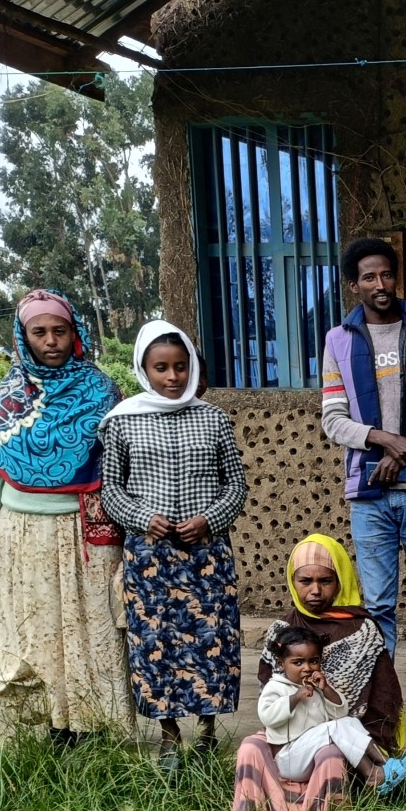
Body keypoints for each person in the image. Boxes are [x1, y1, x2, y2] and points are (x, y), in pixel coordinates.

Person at [320, 236, 406, 739]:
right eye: (368, 277)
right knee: (377, 605)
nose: (380, 285)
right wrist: (382, 441)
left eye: (387, 275)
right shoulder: (338, 342)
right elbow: (333, 419)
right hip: (369, 496)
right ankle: (378, 706)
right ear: (352, 284)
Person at [0, 290, 130, 745]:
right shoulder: (12, 391)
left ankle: (96, 725)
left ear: (74, 333)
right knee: (39, 631)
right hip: (23, 532)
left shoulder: (101, 391)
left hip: (88, 531)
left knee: (92, 627)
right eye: (38, 332)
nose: (51, 341)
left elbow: (118, 464)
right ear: (24, 338)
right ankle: (56, 725)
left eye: (59, 331)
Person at [99, 323, 250, 769]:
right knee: (157, 643)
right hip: (150, 557)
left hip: (206, 555)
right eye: (161, 367)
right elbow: (111, 489)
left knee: (209, 641)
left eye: (181, 367)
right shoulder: (122, 420)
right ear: (143, 370)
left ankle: (206, 730)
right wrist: (144, 518)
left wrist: (210, 519)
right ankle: (168, 735)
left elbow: (236, 484)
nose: (172, 377)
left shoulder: (214, 418)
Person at [260, 534, 406, 752]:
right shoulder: (281, 631)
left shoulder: (362, 629)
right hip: (294, 739)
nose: (316, 590)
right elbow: (268, 697)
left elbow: (384, 695)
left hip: (357, 739)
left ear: (341, 582)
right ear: (292, 581)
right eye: (305, 581)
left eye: (326, 581)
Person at [257, 627, 406, 795]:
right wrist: (294, 698)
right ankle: (372, 775)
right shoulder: (275, 687)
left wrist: (327, 690)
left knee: (349, 721)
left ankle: (385, 763)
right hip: (289, 760)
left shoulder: (314, 687)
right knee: (334, 728)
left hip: (311, 752)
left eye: (314, 661)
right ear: (281, 664)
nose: (307, 668)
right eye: (298, 662)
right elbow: (267, 716)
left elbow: (340, 714)